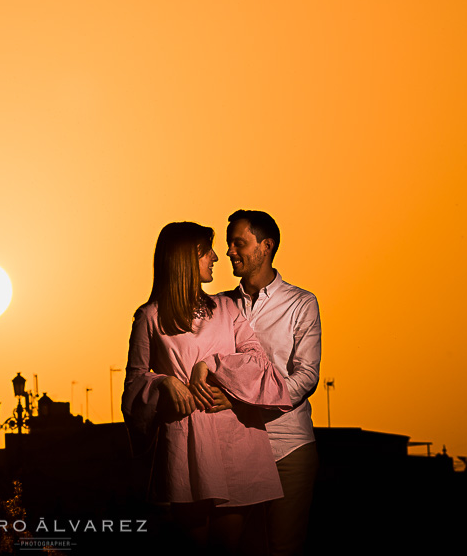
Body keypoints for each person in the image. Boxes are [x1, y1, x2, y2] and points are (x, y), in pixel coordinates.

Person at [123, 222, 293, 553]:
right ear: (186, 259)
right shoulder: (150, 317)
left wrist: (212, 365)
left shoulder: (228, 308)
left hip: (237, 441)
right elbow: (133, 385)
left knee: (229, 549)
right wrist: (165, 383)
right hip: (187, 446)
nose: (216, 257)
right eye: (206, 252)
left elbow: (259, 361)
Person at [219, 210, 322, 556]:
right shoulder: (220, 306)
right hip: (233, 449)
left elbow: (307, 376)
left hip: (288, 448)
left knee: (282, 550)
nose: (230, 251)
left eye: (239, 243)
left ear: (267, 246)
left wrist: (245, 401)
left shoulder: (301, 303)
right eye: (229, 243)